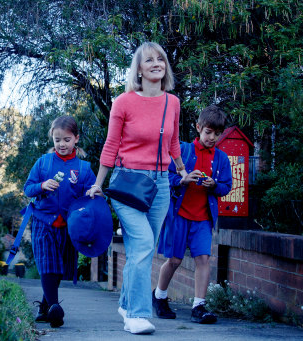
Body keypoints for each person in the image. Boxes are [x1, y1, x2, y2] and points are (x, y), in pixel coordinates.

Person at [87, 42, 187, 334]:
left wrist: (182, 171)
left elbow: (173, 143)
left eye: (161, 59)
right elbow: (111, 145)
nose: (156, 63)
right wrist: (97, 184)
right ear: (139, 69)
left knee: (142, 249)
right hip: (128, 181)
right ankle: (137, 314)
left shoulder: (173, 103)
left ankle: (125, 302)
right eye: (149, 60)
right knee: (142, 245)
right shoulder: (124, 102)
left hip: (160, 185)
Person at [153, 105, 232, 324]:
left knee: (203, 259)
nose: (212, 137)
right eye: (208, 132)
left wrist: (214, 184)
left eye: (217, 134)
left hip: (204, 218)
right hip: (179, 215)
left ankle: (199, 306)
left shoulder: (222, 159)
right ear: (198, 128)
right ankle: (159, 296)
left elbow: (226, 186)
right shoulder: (183, 151)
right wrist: (182, 180)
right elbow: (164, 178)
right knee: (175, 260)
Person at [23, 115, 96, 328]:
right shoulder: (43, 163)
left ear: (76, 139)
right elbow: (28, 188)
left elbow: (90, 194)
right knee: (48, 265)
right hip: (43, 222)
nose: (61, 144)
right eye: (57, 140)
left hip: (68, 226)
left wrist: (94, 192)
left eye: (66, 139)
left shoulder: (83, 168)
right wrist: (42, 185)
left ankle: (45, 306)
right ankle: (55, 309)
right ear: (52, 140)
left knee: (59, 269)